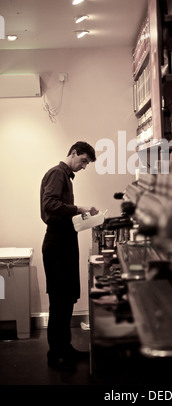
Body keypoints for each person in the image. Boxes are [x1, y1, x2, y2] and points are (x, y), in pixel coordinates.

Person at [40, 141, 98, 372]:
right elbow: (50, 205)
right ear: (73, 153)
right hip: (57, 245)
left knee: (66, 299)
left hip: (64, 241)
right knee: (59, 299)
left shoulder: (65, 176)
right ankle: (56, 354)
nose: (84, 166)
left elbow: (59, 209)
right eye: (83, 160)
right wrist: (79, 209)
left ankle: (65, 347)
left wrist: (81, 218)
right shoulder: (57, 173)